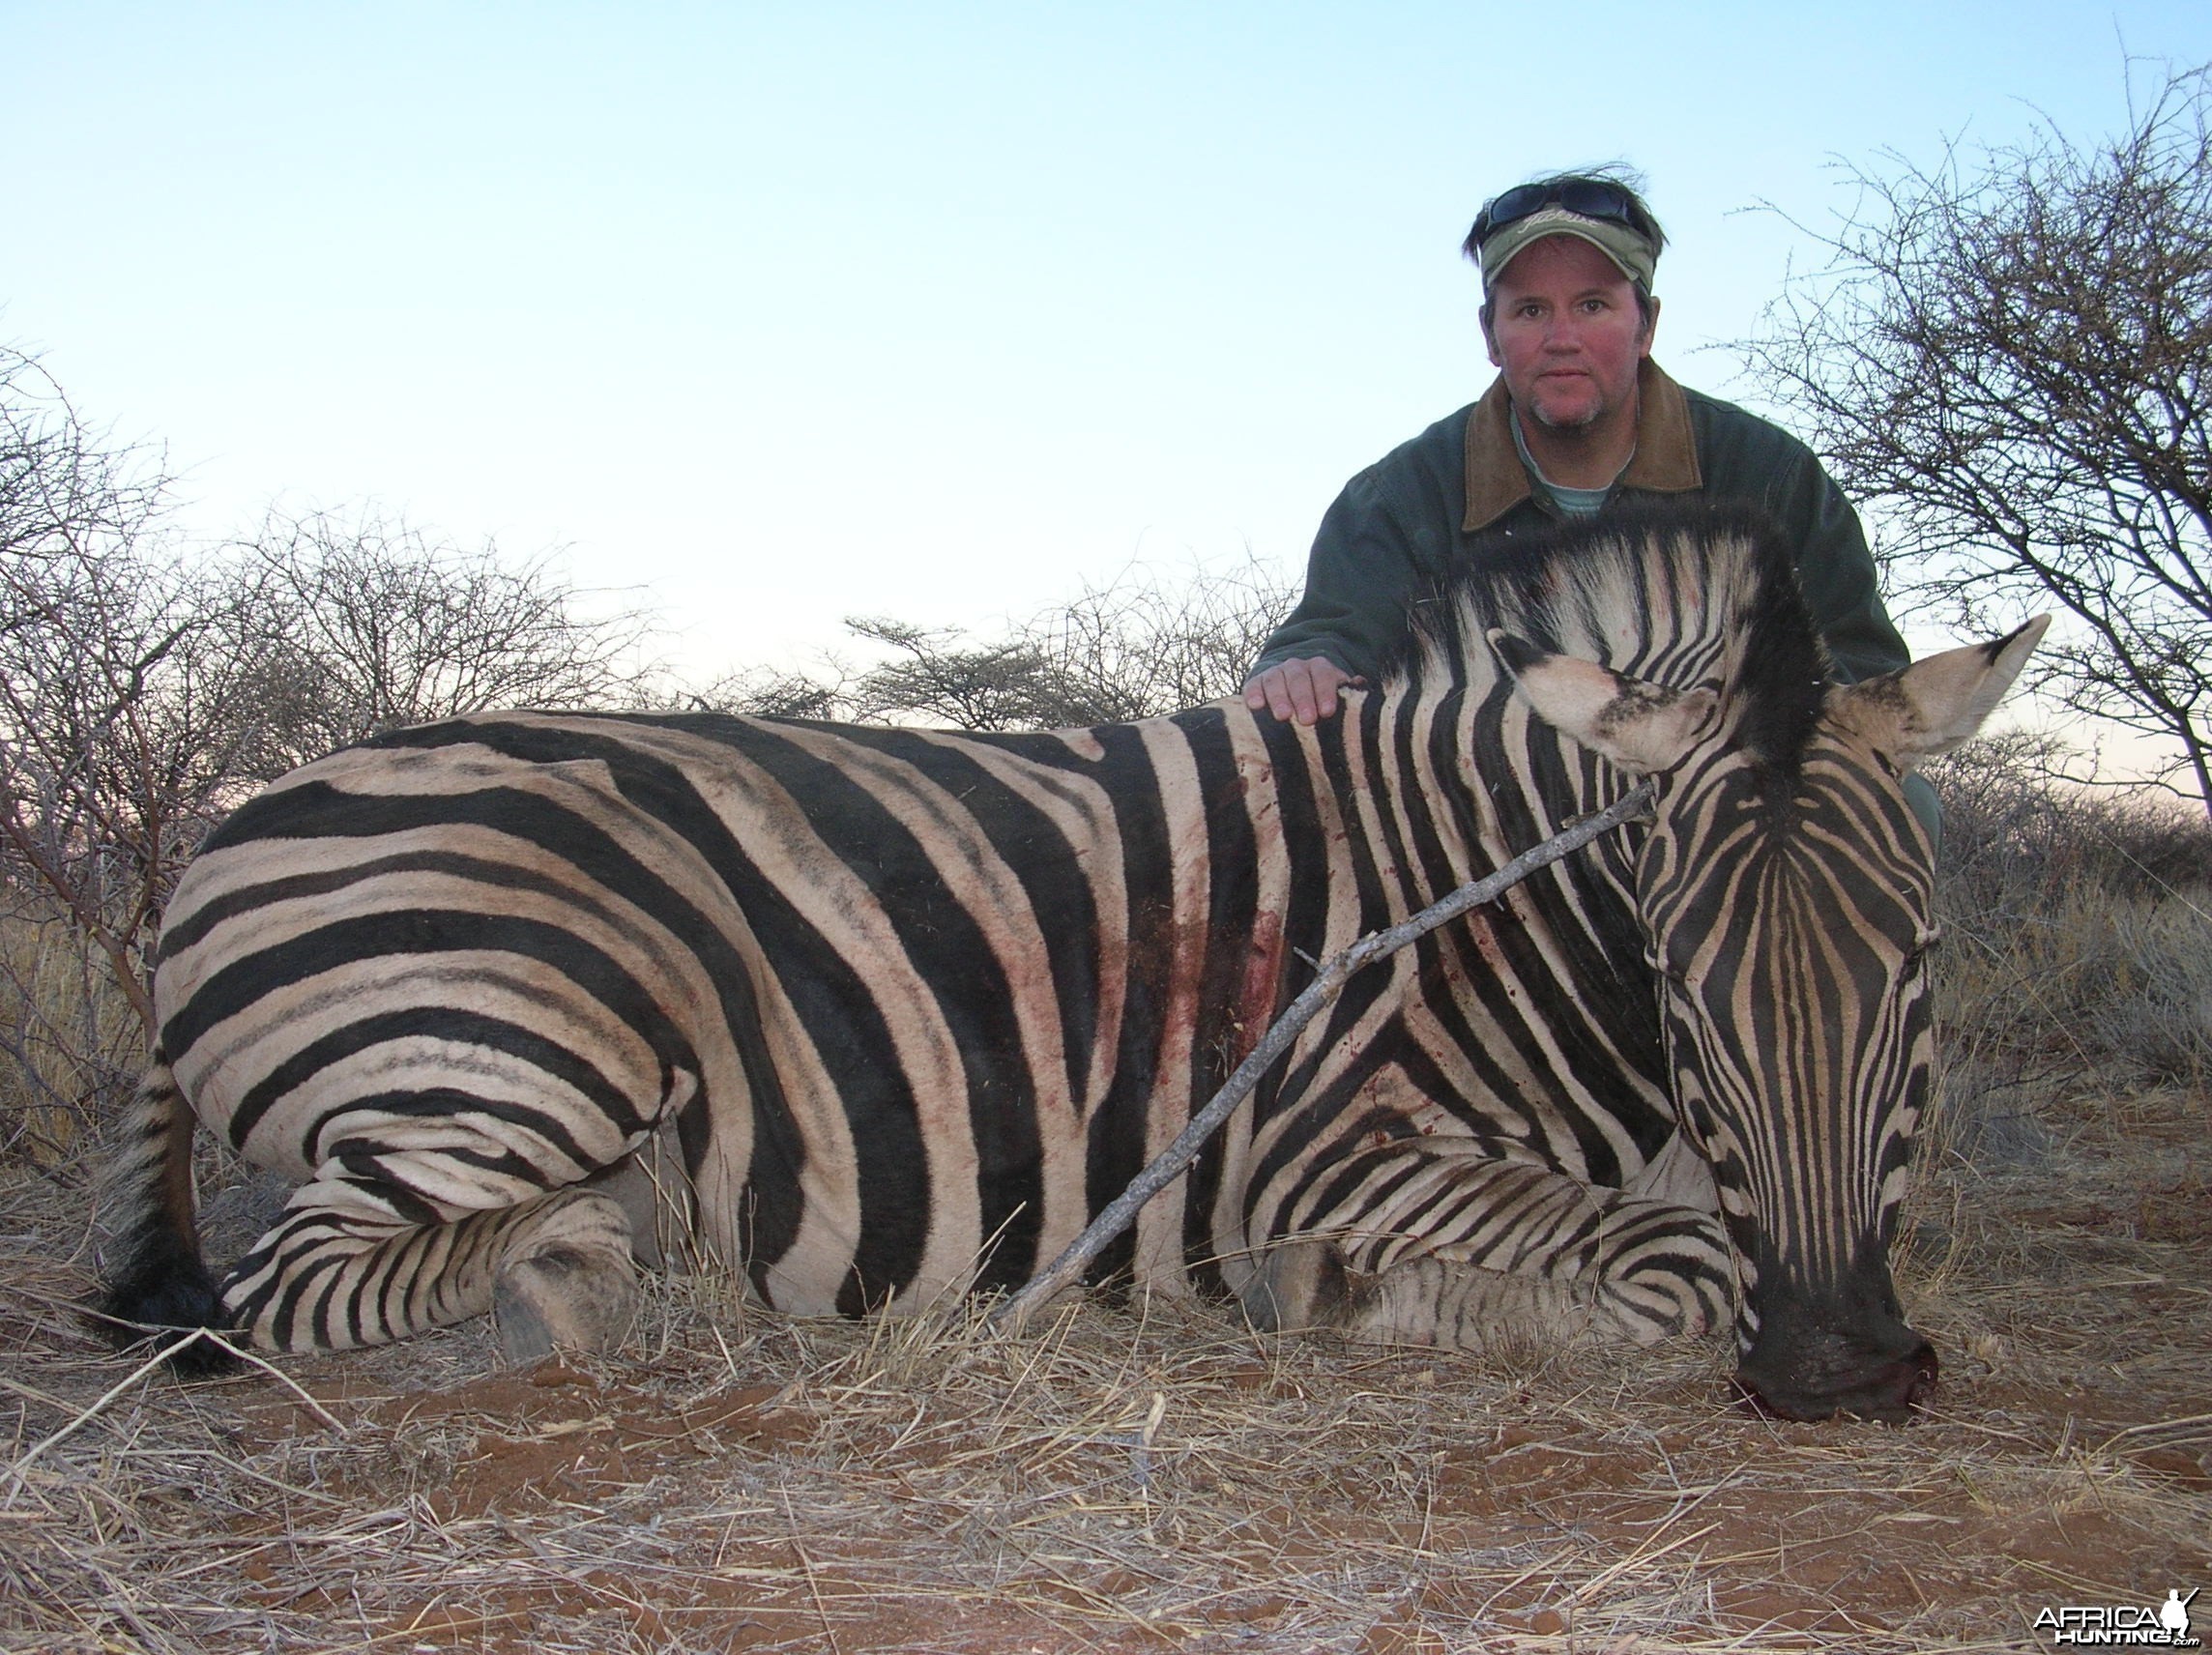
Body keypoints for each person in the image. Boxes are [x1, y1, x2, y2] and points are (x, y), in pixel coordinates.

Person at [1243, 171, 1936, 831]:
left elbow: (1862, 675)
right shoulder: (1397, 497)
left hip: (1718, 811)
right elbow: (1332, 633)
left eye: (1593, 305)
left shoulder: (1769, 475)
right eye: (1531, 310)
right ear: (1492, 335)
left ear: (1646, 325)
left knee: (1909, 806)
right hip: (1492, 821)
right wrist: (1304, 666)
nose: (1562, 338)